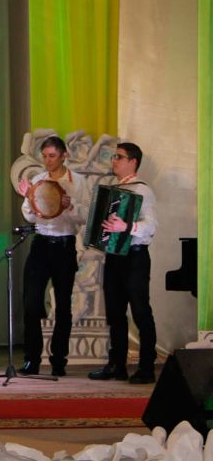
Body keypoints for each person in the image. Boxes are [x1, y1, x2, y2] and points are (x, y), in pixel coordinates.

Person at [88, 142, 158, 384]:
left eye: (118, 157)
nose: (114, 161)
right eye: (113, 157)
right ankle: (117, 365)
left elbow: (151, 226)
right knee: (115, 313)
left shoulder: (143, 190)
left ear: (133, 162)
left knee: (140, 311)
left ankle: (146, 368)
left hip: (136, 257)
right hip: (114, 257)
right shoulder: (114, 188)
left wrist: (126, 227)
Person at [17, 135, 87, 377]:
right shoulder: (38, 180)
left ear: (64, 156)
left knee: (63, 305)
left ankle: (59, 360)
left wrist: (70, 206)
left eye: (52, 156)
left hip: (64, 245)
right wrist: (29, 199)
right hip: (41, 244)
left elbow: (85, 216)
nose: (47, 161)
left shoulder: (78, 181)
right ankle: (31, 359)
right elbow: (29, 216)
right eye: (45, 156)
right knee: (31, 302)